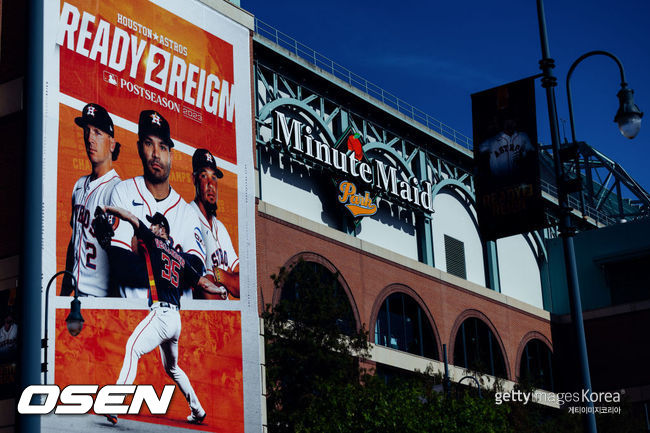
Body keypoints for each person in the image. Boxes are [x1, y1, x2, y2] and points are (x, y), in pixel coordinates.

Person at [101, 205, 226, 426]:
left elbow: (130, 217)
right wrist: (219, 290)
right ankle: (198, 411)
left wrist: (106, 208)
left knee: (132, 348)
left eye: (153, 224)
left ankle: (113, 404)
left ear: (161, 229)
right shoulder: (179, 257)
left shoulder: (154, 241)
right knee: (172, 368)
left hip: (161, 315)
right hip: (175, 321)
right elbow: (202, 282)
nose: (150, 226)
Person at [108, 110, 206, 298]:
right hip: (132, 317)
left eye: (162, 147)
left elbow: (196, 267)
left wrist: (145, 254)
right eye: (148, 144)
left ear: (171, 154)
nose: (155, 154)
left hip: (178, 319)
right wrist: (175, 266)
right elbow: (121, 265)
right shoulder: (123, 192)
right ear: (139, 148)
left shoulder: (186, 212)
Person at [61, 103, 121, 297]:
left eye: (97, 132)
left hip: (100, 299)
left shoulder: (117, 191)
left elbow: (120, 258)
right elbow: (74, 241)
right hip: (76, 295)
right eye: (87, 131)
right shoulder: (79, 185)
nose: (89, 139)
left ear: (112, 143)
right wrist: (62, 295)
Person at [189, 149, 240, 299]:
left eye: (214, 177)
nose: (211, 184)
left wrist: (219, 275)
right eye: (204, 176)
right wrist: (229, 279)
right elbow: (207, 295)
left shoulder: (221, 228)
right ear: (194, 179)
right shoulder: (189, 217)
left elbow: (244, 286)